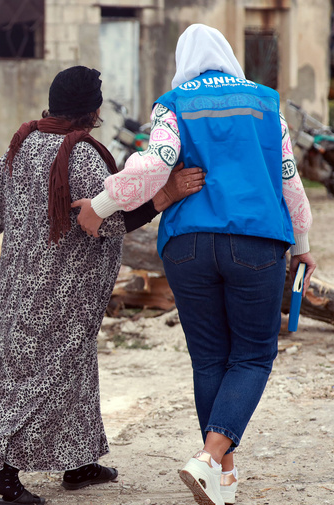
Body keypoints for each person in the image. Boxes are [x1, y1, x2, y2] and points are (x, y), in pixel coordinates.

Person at [75, 24, 316, 505]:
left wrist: (98, 206)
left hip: (187, 246)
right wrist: (303, 240)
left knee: (209, 358)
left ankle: (222, 477)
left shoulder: (174, 101)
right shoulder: (267, 102)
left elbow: (154, 163)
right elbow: (288, 177)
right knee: (251, 356)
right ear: (228, 54)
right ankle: (208, 459)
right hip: (255, 242)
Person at [0, 65, 205, 505]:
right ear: (92, 110)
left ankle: (79, 461)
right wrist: (166, 196)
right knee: (50, 372)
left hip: (21, 287)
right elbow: (108, 221)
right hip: (64, 291)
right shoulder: (82, 155)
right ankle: (5, 473)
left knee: (66, 369)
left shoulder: (22, 144)